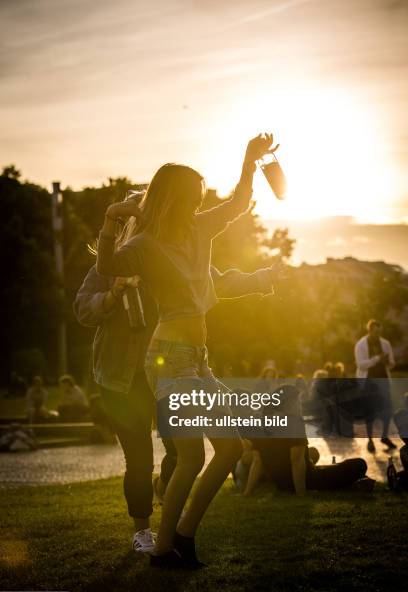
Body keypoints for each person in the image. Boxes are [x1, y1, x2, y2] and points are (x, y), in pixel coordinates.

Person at [96, 133, 277, 567]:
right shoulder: (144, 245)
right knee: (193, 455)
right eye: (193, 196)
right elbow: (107, 268)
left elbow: (237, 203)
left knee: (231, 448)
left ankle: (184, 535)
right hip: (169, 359)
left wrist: (250, 160)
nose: (199, 204)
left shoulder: (200, 228)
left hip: (198, 358)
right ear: (174, 198)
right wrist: (109, 220)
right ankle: (163, 549)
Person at [75, 250, 282, 555]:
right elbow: (83, 310)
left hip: (163, 369)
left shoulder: (171, 256)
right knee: (140, 457)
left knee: (178, 450)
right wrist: (112, 294)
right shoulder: (107, 266)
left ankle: (164, 493)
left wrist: (263, 277)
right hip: (120, 378)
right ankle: (142, 531)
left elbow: (217, 282)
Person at [237, 385, 374, 496]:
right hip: (307, 480)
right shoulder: (295, 423)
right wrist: (301, 494)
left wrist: (247, 493)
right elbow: (296, 461)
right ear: (288, 404)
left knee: (313, 454)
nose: (300, 404)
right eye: (297, 401)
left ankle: (352, 481)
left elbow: (257, 461)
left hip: (280, 482)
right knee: (359, 464)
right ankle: (356, 481)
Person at [355, 319, 396, 453]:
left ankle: (384, 436)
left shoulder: (385, 343)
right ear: (370, 330)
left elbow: (392, 363)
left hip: (383, 381)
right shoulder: (361, 344)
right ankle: (370, 440)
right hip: (368, 383)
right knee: (370, 412)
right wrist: (377, 359)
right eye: (375, 332)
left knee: (388, 409)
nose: (378, 334)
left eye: (380, 331)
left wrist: (388, 361)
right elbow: (361, 364)